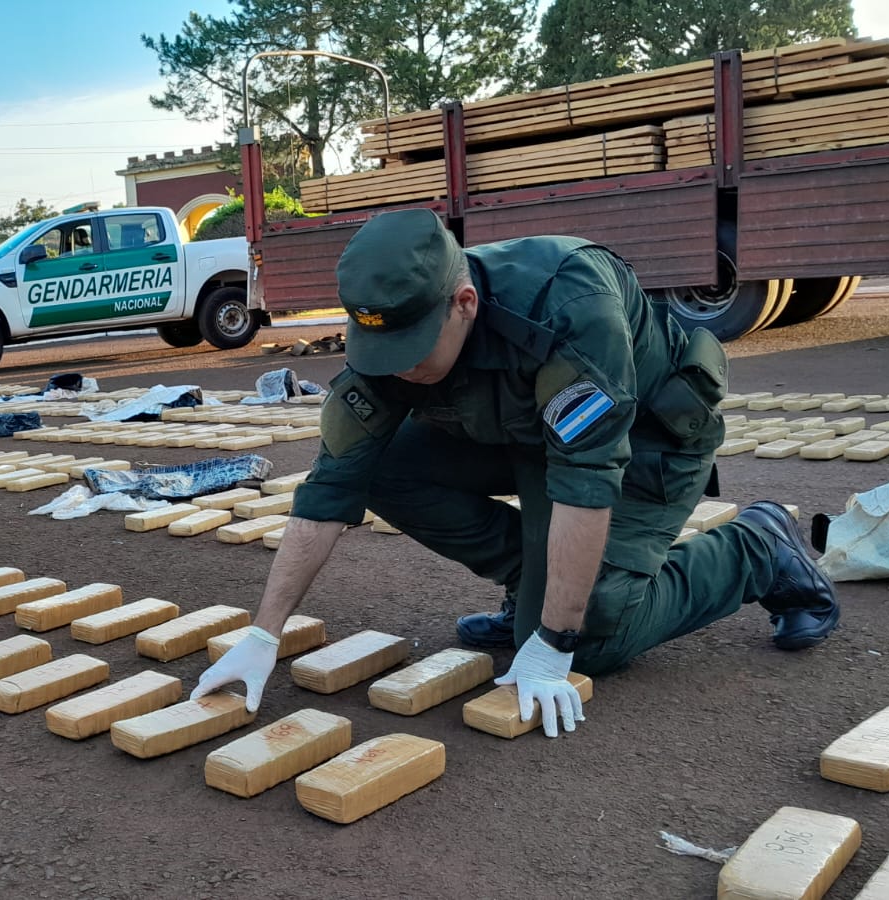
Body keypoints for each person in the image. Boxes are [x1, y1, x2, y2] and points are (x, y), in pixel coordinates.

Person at [192, 208, 839, 737]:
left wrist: (555, 640)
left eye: (412, 353)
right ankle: (533, 586)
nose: (397, 369)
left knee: (591, 636)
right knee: (378, 467)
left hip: (643, 439)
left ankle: (756, 548)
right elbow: (330, 486)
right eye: (382, 354)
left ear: (464, 302)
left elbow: (586, 481)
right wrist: (262, 633)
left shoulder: (567, 305)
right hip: (525, 434)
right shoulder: (391, 342)